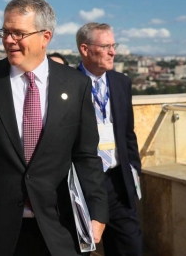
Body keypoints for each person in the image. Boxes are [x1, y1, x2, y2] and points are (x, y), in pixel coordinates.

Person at [0, 0, 108, 256]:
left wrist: (97, 211)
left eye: (18, 33)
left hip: (57, 226)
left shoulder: (75, 85)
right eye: (5, 31)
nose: (8, 40)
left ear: (45, 37)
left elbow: (86, 157)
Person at [76, 22, 142, 255]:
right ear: (85, 49)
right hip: (82, 183)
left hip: (118, 182)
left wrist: (134, 169)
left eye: (113, 45)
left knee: (129, 247)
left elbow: (128, 133)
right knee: (80, 247)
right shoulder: (66, 84)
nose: (113, 52)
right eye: (105, 46)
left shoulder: (121, 82)